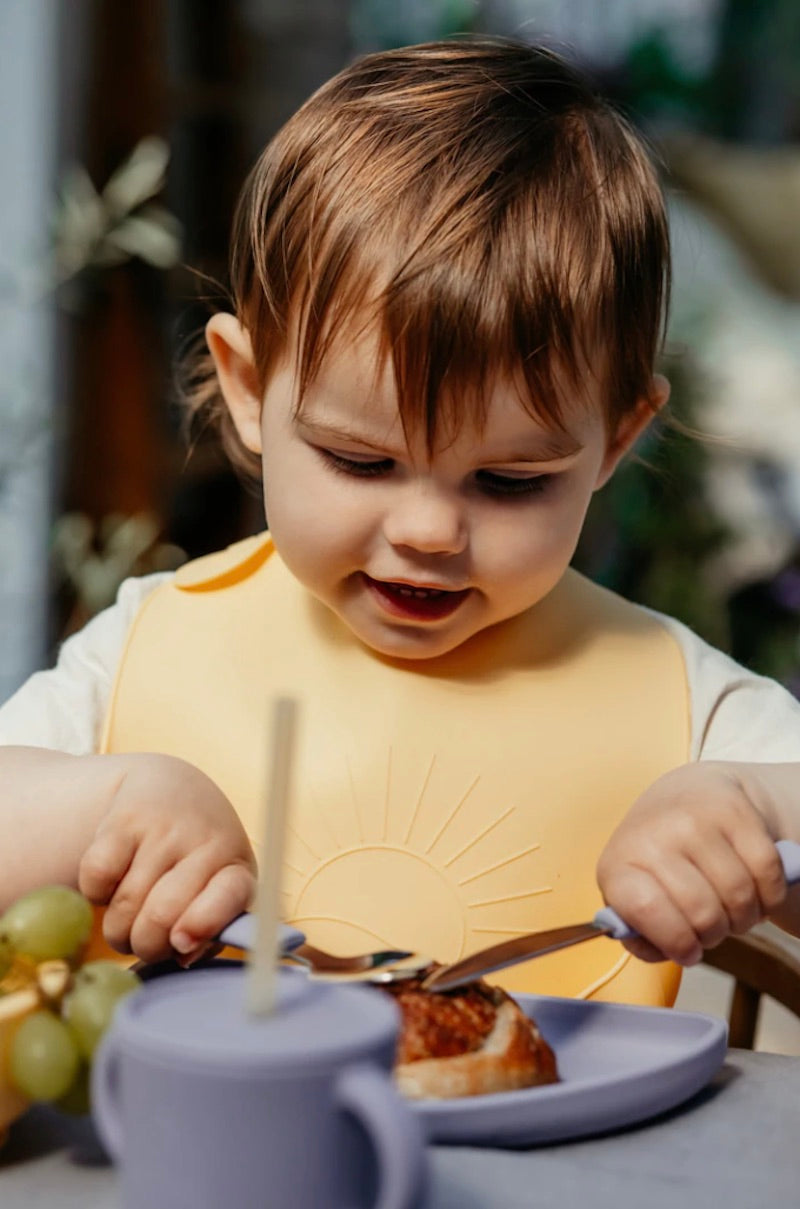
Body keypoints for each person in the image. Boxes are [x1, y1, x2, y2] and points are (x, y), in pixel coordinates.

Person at [1, 37, 799, 1006]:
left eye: (508, 481)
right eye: (360, 461)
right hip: (191, 1153)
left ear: (615, 441)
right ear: (249, 388)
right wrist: (100, 810)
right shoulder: (151, 644)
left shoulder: (681, 706)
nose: (427, 530)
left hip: (546, 1159)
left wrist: (751, 811)